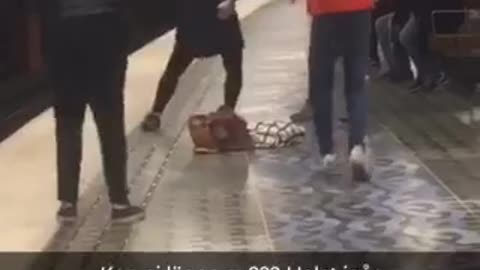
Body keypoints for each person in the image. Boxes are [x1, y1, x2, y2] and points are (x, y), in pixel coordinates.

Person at [38, 0, 145, 223]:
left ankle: (67, 205)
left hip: (63, 36)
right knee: (110, 123)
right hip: (104, 34)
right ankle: (119, 203)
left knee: (68, 123)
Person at [291, 0, 373, 181]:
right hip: (358, 10)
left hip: (325, 12)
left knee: (321, 84)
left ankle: (326, 151)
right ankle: (357, 146)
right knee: (356, 84)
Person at [142, 0, 244, 131]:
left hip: (220, 17)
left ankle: (228, 110)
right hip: (192, 18)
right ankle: (156, 113)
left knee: (234, 67)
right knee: (174, 69)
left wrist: (230, 2)